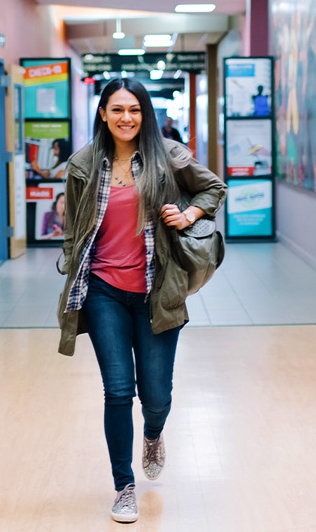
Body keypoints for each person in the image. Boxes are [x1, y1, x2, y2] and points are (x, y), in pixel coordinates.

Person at [56, 78, 226, 523]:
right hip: (103, 291)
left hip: (158, 289)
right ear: (103, 114)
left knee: (155, 395)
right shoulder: (83, 164)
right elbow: (74, 228)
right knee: (116, 391)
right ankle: (123, 486)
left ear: (144, 113)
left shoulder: (168, 155)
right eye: (117, 110)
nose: (126, 118)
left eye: (134, 109)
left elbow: (214, 189)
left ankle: (153, 432)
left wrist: (188, 214)